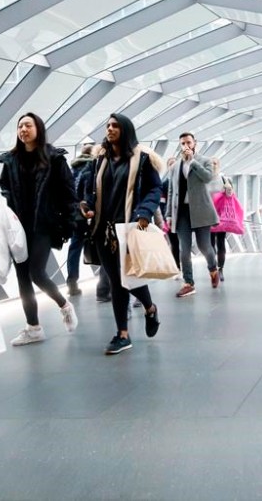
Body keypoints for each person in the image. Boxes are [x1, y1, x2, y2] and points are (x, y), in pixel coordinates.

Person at [79, 114, 162, 355]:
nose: (110, 129)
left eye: (115, 126)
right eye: (107, 126)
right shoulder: (99, 160)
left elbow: (155, 187)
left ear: (125, 130)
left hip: (128, 228)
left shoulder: (141, 159)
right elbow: (89, 189)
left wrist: (145, 212)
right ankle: (123, 334)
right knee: (116, 281)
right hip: (103, 230)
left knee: (126, 278)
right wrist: (86, 204)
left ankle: (148, 309)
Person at [0, 113, 78, 346]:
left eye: (28, 125)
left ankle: (64, 305)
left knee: (36, 272)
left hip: (44, 224)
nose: (23, 129)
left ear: (38, 129)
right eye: (20, 126)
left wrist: (69, 223)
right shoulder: (11, 160)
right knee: (22, 277)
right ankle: (33, 327)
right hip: (18, 226)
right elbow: (4, 187)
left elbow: (69, 193)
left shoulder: (54, 158)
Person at [166, 132, 221, 296]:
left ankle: (213, 268)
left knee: (205, 246)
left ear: (194, 143)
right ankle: (189, 283)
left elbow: (208, 177)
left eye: (188, 142)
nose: (186, 146)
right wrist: (169, 213)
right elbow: (171, 191)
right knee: (184, 248)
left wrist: (193, 162)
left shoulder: (204, 161)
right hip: (181, 212)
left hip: (201, 211)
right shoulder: (175, 166)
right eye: (182, 143)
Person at [65, 143, 96, 297]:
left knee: (75, 246)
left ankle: (72, 280)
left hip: (75, 214)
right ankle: (106, 283)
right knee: (101, 243)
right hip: (89, 212)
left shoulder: (73, 168)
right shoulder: (92, 167)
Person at [210, 176, 243, 282]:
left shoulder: (223, 179)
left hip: (221, 216)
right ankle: (213, 268)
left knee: (220, 242)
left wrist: (228, 187)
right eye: (212, 163)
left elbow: (231, 194)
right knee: (210, 245)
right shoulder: (206, 178)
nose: (213, 164)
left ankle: (220, 269)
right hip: (209, 214)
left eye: (215, 162)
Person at [160, 156, 180, 270]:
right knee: (174, 243)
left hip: (181, 218)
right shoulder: (164, 184)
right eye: (170, 164)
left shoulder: (184, 183)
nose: (172, 166)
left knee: (182, 244)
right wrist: (164, 217)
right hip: (170, 218)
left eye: (174, 163)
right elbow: (162, 203)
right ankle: (177, 267)